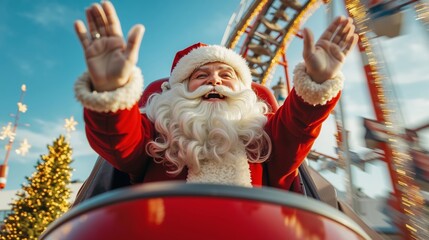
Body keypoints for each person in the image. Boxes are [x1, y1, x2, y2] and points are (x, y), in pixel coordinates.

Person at [73, 2, 358, 191]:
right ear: (178, 92)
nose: (214, 80)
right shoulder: (157, 135)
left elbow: (299, 126)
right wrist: (111, 91)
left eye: (226, 75)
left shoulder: (265, 138)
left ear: (245, 93)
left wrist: (316, 83)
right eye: (201, 76)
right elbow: (118, 138)